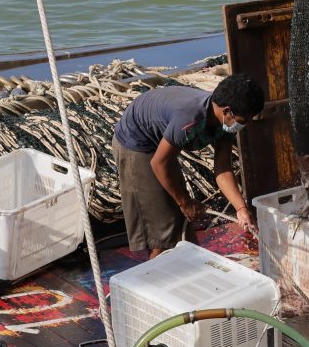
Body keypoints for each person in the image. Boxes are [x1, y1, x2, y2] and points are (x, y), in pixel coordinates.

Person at [112, 74, 265, 258]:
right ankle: (157, 279)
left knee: (182, 227)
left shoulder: (225, 122)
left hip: (162, 145)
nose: (245, 125)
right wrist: (184, 202)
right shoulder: (190, 118)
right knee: (164, 233)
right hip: (137, 143)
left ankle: (190, 270)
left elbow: (223, 169)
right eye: (243, 121)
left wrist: (241, 209)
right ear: (227, 111)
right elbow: (159, 163)